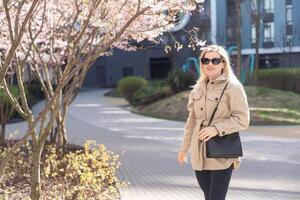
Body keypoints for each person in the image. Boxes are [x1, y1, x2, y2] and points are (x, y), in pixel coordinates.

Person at [177, 44, 250, 200]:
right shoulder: (197, 89)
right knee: (208, 197)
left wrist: (216, 129)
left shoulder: (233, 87)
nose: (210, 64)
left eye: (215, 60)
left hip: (221, 154)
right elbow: (191, 123)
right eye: (205, 60)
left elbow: (243, 119)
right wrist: (184, 149)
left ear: (223, 63)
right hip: (199, 154)